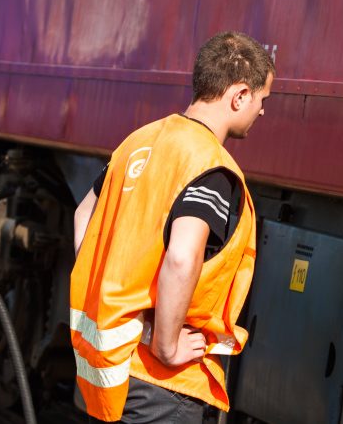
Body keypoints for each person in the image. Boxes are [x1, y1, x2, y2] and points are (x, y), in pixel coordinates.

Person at [70, 32, 274, 423]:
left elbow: (84, 215)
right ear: (240, 96)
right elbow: (182, 257)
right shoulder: (210, 166)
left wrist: (115, 300)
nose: (261, 111)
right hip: (163, 382)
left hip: (111, 365)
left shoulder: (139, 141)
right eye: (262, 100)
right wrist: (165, 345)